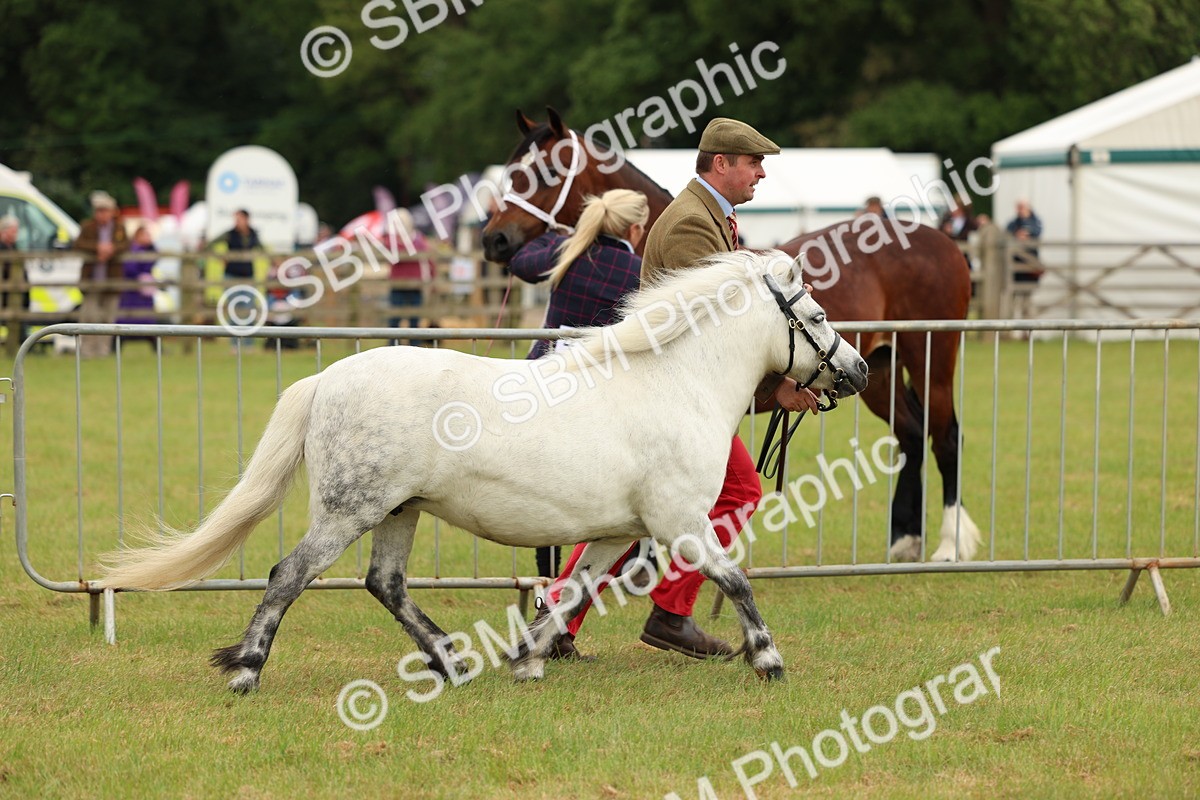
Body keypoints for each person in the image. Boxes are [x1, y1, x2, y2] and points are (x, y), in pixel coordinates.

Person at [540, 118, 820, 661]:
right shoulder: (694, 223)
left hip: (676, 394)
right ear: (721, 164)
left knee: (625, 512)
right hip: (671, 397)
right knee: (734, 494)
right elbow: (720, 329)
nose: (761, 173)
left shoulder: (710, 215)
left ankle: (565, 616)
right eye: (753, 163)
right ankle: (666, 612)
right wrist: (776, 389)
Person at [508, 189, 648, 582]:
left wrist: (554, 237)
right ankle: (619, 565)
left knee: (542, 484)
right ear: (635, 228)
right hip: (594, 392)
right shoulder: (635, 269)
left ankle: (547, 579)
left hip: (541, 378)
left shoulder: (568, 250)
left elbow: (519, 261)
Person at [74, 191, 130, 357]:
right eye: (99, 211)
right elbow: (78, 244)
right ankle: (86, 351)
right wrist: (97, 248)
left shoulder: (119, 228)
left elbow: (126, 245)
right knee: (89, 317)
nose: (102, 214)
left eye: (105, 210)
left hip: (112, 280)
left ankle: (103, 351)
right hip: (92, 279)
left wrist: (111, 249)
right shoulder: (87, 227)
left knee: (108, 318)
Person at [387, 209, 433, 346]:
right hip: (397, 284)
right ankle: (392, 347)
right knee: (394, 319)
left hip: (415, 285)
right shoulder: (392, 240)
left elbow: (426, 255)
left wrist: (431, 277)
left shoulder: (418, 238)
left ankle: (415, 346)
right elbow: (393, 255)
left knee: (415, 319)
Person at [118, 226, 157, 325]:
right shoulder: (133, 250)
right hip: (133, 289)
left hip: (142, 290)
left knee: (144, 317)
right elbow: (130, 268)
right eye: (146, 235)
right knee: (130, 317)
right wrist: (139, 276)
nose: (149, 237)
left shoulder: (147, 250)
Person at [0, 214, 29, 347]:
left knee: (18, 320)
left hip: (15, 292)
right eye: (13, 230)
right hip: (6, 292)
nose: (15, 234)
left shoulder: (14, 247)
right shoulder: (3, 248)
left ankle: (22, 344)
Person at [1006, 200, 1044, 283]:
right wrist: (1016, 235)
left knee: (1030, 281)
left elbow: (1037, 231)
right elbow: (1007, 233)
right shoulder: (1014, 222)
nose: (1019, 210)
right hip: (1017, 259)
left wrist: (1026, 232)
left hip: (1030, 257)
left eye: (1021, 207)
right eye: (1018, 208)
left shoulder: (1035, 221)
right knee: (1017, 280)